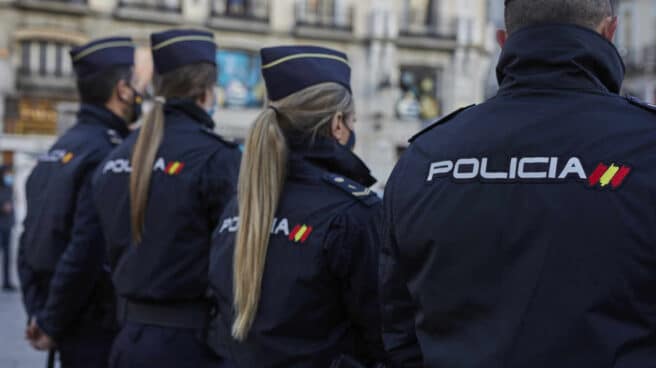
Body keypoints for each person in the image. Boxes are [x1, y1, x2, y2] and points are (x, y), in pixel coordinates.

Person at [379, 0, 656, 367]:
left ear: (503, 40)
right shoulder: (645, 142)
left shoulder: (425, 156)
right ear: (610, 31)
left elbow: (396, 327)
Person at [208, 46, 387, 368]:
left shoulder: (240, 206)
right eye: (352, 120)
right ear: (337, 125)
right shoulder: (353, 213)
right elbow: (382, 333)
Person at [93, 29, 240, 368]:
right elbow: (234, 265)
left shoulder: (116, 157)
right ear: (206, 92)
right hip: (190, 345)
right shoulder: (218, 158)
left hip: (128, 340)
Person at [16, 36, 142, 367]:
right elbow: (86, 248)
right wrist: (51, 320)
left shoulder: (59, 148)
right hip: (96, 326)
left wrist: (40, 315)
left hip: (66, 323)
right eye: (136, 85)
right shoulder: (109, 152)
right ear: (122, 90)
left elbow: (29, 242)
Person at [0, 165, 15, 292]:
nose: (9, 175)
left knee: (7, 256)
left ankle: (7, 281)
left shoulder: (9, 187)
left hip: (7, 225)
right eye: (6, 173)